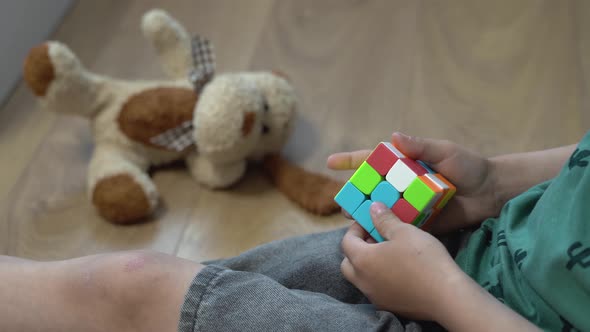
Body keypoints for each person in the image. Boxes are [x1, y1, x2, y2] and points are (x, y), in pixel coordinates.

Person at [1, 131, 587, 332]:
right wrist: (493, 184)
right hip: (469, 256)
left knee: (137, 288)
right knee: (147, 299)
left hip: (460, 301)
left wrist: (441, 294)